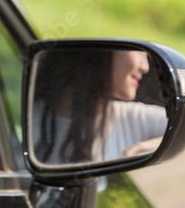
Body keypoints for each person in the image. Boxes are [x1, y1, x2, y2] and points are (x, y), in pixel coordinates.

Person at [31, 49, 167, 167]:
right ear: (101, 50)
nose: (145, 67)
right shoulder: (30, 123)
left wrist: (149, 148)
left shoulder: (132, 117)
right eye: (138, 50)